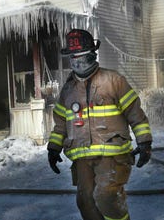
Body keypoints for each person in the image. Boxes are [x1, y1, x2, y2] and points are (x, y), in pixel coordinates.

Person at [47, 29, 153, 220]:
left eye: (82, 58)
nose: (77, 64)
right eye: (73, 59)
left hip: (112, 153)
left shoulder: (114, 81)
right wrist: (53, 148)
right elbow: (61, 123)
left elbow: (135, 113)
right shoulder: (68, 90)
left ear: (92, 55)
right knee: (85, 201)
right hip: (81, 156)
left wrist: (144, 143)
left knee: (107, 197)